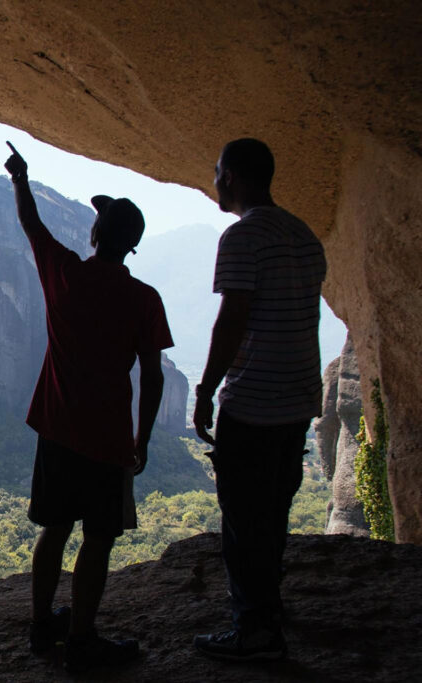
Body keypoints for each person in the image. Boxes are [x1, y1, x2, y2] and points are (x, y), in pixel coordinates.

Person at [4, 142, 173, 673]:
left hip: (56, 428)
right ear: (133, 246)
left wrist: (21, 178)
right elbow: (152, 373)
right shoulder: (144, 299)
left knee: (53, 530)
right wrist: (142, 440)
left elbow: (33, 226)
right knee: (98, 538)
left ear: (95, 236)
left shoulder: (66, 274)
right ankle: (80, 638)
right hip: (107, 439)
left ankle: (39, 627)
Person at [192, 138, 327, 660]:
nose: (215, 180)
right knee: (273, 511)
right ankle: (268, 608)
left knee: (243, 519)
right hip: (296, 399)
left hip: (252, 401)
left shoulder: (242, 238)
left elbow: (233, 319)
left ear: (235, 177)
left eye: (219, 171)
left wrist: (205, 390)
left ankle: (255, 632)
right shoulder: (304, 234)